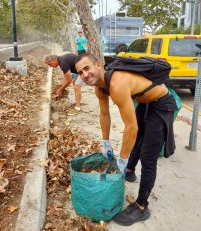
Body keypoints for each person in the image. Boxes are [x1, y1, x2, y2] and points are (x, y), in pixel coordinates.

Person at [75, 53, 177, 226]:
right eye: (80, 72)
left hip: (161, 104)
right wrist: (105, 142)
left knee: (148, 157)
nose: (85, 74)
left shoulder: (117, 84)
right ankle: (129, 171)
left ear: (98, 65)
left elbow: (131, 128)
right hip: (145, 102)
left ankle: (141, 206)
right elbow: (104, 113)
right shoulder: (100, 88)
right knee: (136, 142)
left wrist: (121, 159)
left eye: (87, 68)